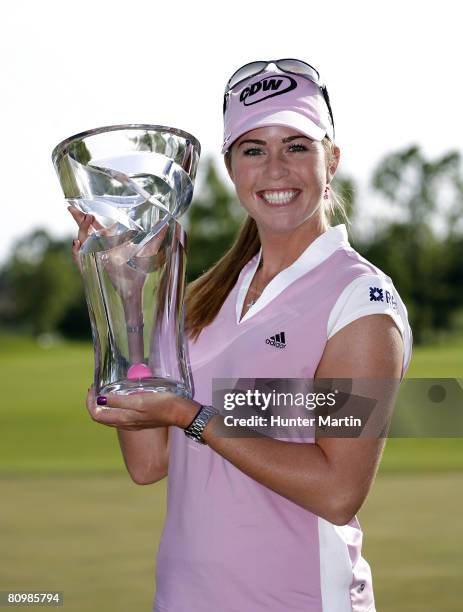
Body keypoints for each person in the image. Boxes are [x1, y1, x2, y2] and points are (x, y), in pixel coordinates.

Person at [69, 59, 413, 612]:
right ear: (231, 168)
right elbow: (148, 463)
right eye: (254, 149)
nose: (275, 169)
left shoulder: (361, 302)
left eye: (296, 146)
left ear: (333, 159)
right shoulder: (203, 297)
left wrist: (192, 415)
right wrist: (126, 291)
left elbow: (338, 491)